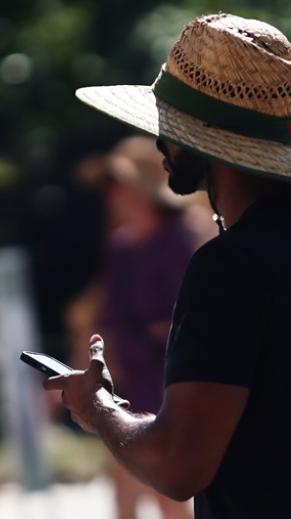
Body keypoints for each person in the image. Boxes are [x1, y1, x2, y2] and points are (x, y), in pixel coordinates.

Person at [46, 13, 291, 518]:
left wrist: (97, 407)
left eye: (168, 125)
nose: (160, 143)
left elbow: (179, 467)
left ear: (200, 138)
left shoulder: (228, 270)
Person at [73, 135, 200, 519]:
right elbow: (108, 319)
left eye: (118, 183)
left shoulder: (179, 241)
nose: (110, 194)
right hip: (129, 383)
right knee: (124, 487)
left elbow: (184, 322)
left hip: (169, 385)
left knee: (166, 492)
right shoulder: (121, 247)